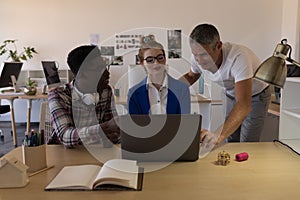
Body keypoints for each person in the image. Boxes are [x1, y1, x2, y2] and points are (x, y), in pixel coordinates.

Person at [180, 23, 271, 145]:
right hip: (230, 93)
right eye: (195, 54)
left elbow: (244, 105)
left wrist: (218, 135)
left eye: (204, 55)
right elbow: (192, 75)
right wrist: (171, 88)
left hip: (255, 95)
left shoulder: (238, 57)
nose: (199, 60)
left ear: (218, 46)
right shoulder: (196, 57)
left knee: (247, 142)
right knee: (231, 139)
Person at [48, 45, 119, 148]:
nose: (107, 73)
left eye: (105, 67)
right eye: (99, 69)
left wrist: (116, 133)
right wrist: (105, 128)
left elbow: (112, 129)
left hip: (97, 150)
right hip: (64, 153)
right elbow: (65, 136)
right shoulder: (59, 95)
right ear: (81, 73)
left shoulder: (106, 91)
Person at [128, 34, 190, 114]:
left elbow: (185, 122)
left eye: (160, 58)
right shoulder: (133, 93)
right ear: (142, 63)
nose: (156, 63)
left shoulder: (182, 89)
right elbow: (134, 125)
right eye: (150, 60)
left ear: (165, 59)